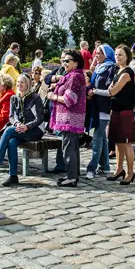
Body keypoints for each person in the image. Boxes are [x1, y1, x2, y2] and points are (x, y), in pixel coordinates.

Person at [0, 74, 46, 186]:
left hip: (34, 130)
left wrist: (27, 126)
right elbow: (11, 117)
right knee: (11, 142)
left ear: (28, 84)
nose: (19, 84)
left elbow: (40, 118)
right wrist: (17, 123)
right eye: (18, 82)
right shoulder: (14, 98)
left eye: (22, 82)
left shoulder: (35, 97)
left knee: (9, 130)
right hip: (19, 129)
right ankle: (13, 176)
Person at [46, 49, 87, 187]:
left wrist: (54, 97)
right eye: (63, 60)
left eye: (67, 61)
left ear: (76, 63)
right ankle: (73, 175)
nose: (64, 63)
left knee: (68, 148)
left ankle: (71, 177)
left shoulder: (74, 77)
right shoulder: (70, 75)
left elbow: (70, 99)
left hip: (70, 118)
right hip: (68, 117)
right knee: (72, 147)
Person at [106, 45, 135, 185]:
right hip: (116, 110)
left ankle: (130, 173)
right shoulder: (118, 71)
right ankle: (119, 169)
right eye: (116, 55)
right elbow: (111, 88)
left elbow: (113, 91)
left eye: (120, 55)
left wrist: (111, 89)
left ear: (127, 57)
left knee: (126, 143)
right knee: (118, 142)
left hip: (125, 111)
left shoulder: (126, 73)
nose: (117, 57)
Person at [85, 44, 116, 179]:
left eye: (100, 53)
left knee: (97, 138)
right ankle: (105, 166)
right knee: (102, 137)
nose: (97, 56)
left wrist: (95, 91)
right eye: (96, 53)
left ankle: (92, 167)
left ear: (107, 55)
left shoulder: (111, 68)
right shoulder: (98, 67)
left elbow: (110, 88)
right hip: (95, 105)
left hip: (104, 107)